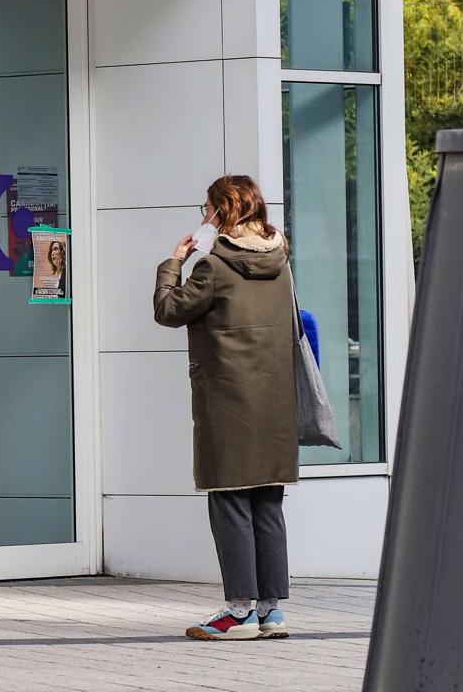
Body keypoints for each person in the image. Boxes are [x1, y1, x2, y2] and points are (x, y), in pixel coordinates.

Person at [152, 174, 298, 642]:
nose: (204, 216)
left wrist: (174, 262)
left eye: (207, 208)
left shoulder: (213, 267)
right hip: (275, 402)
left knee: (230, 502)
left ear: (223, 212)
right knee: (267, 505)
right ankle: (271, 611)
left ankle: (238, 612)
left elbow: (168, 310)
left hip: (229, 403)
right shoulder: (282, 262)